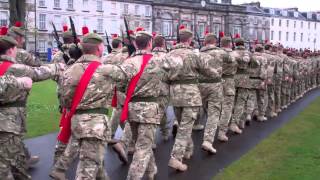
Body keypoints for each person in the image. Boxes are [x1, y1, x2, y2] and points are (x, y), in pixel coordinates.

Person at [0, 27, 63, 179]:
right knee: (8, 164)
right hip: (9, 122)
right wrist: (57, 66)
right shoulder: (17, 69)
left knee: (16, 158)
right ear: (11, 50)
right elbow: (39, 72)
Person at [50, 32, 113, 180]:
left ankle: (60, 167)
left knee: (95, 159)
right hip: (96, 122)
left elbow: (64, 97)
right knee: (88, 166)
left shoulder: (70, 69)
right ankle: (59, 167)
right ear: (99, 48)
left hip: (76, 118)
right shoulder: (106, 69)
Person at [167, 25, 202, 171]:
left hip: (175, 93)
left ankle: (189, 149)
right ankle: (176, 157)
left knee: (183, 125)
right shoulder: (194, 54)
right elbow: (205, 69)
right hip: (190, 94)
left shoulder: (170, 54)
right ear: (190, 39)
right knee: (185, 127)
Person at [198, 31, 223, 153]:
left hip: (200, 84)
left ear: (205, 42)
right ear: (215, 42)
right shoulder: (220, 52)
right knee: (214, 113)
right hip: (215, 84)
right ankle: (208, 140)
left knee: (201, 108)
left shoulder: (198, 54)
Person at [217, 36, 239, 142]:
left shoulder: (216, 53)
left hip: (217, 81)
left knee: (216, 106)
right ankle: (222, 131)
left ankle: (216, 125)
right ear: (230, 44)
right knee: (227, 107)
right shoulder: (234, 54)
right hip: (229, 81)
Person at [229, 34, 251, 130]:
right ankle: (235, 122)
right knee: (241, 102)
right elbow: (254, 64)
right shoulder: (247, 53)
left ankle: (232, 120)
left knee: (232, 101)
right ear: (243, 44)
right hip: (244, 79)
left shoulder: (232, 53)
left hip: (233, 78)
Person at [151, 33, 170, 141]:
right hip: (163, 87)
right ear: (163, 44)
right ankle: (155, 136)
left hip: (150, 89)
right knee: (160, 111)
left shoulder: (149, 56)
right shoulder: (168, 56)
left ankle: (165, 130)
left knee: (158, 111)